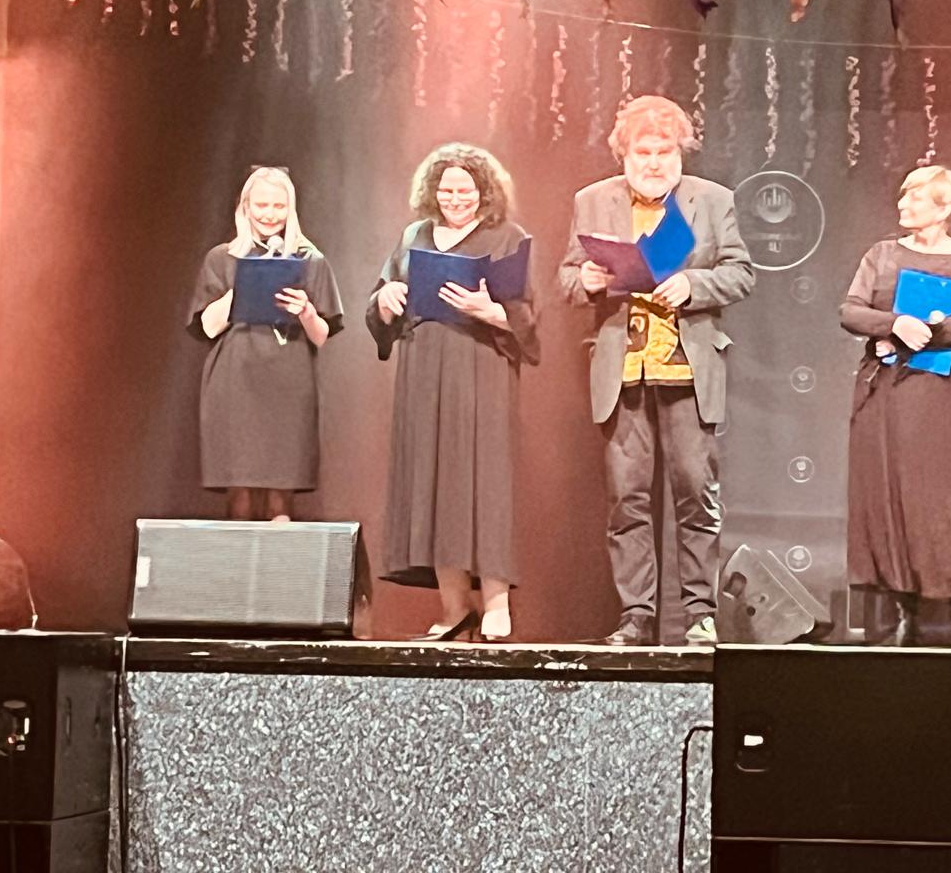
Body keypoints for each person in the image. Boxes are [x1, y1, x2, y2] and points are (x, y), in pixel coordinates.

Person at [559, 95, 755, 646]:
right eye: (642, 152)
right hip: (623, 369)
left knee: (696, 492)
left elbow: (741, 272)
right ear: (624, 155)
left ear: (680, 153)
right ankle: (636, 615)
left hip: (687, 368)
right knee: (627, 498)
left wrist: (694, 284)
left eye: (664, 151)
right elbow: (566, 276)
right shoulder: (592, 201)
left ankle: (699, 614)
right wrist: (586, 282)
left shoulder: (711, 201)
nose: (653, 162)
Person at [368, 143, 538, 643]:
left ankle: (496, 604)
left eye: (465, 190)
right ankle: (454, 607)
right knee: (435, 483)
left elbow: (527, 317)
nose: (455, 199)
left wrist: (490, 312)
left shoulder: (506, 238)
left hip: (480, 367)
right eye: (446, 190)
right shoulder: (414, 236)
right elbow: (382, 300)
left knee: (483, 481)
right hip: (423, 369)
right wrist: (385, 300)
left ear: (483, 192)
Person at [841, 165, 951, 648]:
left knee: (942, 502)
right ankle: (900, 610)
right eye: (903, 195)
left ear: (945, 208)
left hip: (940, 396)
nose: (903, 204)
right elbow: (850, 309)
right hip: (886, 393)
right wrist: (892, 324)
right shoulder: (881, 255)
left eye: (916, 198)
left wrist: (925, 331)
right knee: (889, 498)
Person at [189, 166, 344, 521]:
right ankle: (236, 558)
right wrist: (245, 284)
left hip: (288, 379)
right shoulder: (221, 258)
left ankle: (281, 555)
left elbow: (322, 335)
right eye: (262, 205)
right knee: (239, 496)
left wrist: (305, 310)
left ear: (291, 209)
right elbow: (207, 328)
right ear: (245, 207)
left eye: (278, 206)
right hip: (235, 379)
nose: (270, 214)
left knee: (280, 496)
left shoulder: (311, 260)